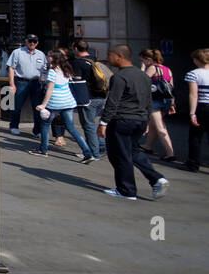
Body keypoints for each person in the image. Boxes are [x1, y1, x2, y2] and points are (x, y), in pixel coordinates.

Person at [98, 44, 169, 199]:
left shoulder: (119, 77)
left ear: (119, 56)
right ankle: (157, 178)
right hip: (139, 119)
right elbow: (148, 99)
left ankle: (126, 190)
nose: (108, 59)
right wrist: (146, 119)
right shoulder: (143, 75)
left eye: (110, 55)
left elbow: (113, 101)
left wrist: (103, 123)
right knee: (133, 151)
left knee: (119, 154)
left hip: (122, 119)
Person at [34, 48, 96, 161]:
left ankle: (43, 150)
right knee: (71, 127)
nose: (47, 57)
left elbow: (50, 90)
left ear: (53, 58)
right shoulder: (66, 69)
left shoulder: (52, 71)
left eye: (49, 55)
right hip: (68, 101)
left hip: (55, 102)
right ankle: (88, 153)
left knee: (45, 124)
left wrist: (43, 104)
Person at [69, 39, 109, 161]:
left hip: (88, 98)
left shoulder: (78, 63)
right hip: (102, 96)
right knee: (97, 124)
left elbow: (77, 81)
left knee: (88, 126)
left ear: (75, 49)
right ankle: (101, 148)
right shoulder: (95, 61)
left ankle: (93, 153)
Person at [139, 48, 177, 162]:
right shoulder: (167, 69)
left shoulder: (152, 68)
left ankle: (170, 153)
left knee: (160, 127)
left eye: (143, 60)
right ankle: (148, 146)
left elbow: (141, 82)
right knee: (154, 125)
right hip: (166, 101)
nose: (143, 63)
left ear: (148, 59)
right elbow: (171, 88)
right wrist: (172, 104)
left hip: (154, 101)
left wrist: (142, 69)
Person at [7, 34, 48, 136]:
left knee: (37, 107)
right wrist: (12, 84)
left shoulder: (41, 54)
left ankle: (37, 130)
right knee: (17, 105)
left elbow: (45, 69)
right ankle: (14, 126)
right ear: (26, 41)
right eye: (30, 41)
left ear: (37, 43)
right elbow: (11, 68)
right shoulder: (17, 52)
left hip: (36, 83)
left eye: (34, 41)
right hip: (22, 81)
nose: (32, 43)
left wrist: (44, 79)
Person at [186, 48, 209, 172]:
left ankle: (193, 164)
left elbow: (193, 95)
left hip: (202, 107)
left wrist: (192, 113)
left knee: (195, 137)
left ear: (196, 60)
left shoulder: (193, 74)